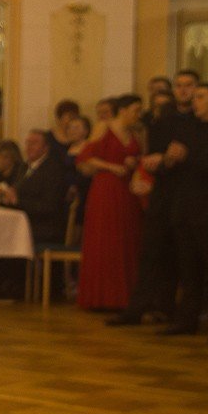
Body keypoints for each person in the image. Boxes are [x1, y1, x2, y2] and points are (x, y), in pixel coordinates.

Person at [109, 70, 197, 327]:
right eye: (179, 85)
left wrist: (170, 159)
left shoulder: (199, 122)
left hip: (188, 196)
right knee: (151, 253)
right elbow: (153, 153)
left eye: (188, 85)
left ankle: (174, 312)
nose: (183, 90)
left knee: (183, 258)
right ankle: (138, 309)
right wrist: (153, 162)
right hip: (162, 193)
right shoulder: (162, 121)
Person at [159, 83, 208, 337]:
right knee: (188, 270)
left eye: (201, 97)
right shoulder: (186, 129)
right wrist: (168, 160)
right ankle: (186, 320)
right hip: (184, 208)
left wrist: (187, 158)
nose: (195, 101)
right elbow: (171, 168)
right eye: (194, 97)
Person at [75, 95, 143, 311]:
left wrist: (133, 162)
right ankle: (102, 297)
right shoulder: (103, 127)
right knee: (105, 240)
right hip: (106, 188)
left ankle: (124, 297)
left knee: (125, 239)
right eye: (135, 110)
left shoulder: (135, 133)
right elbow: (85, 157)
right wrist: (113, 167)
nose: (138, 115)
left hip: (127, 190)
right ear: (122, 110)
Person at [0, 129, 70, 246]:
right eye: (28, 143)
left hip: (42, 227)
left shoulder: (53, 170)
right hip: (22, 221)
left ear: (45, 148)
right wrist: (5, 195)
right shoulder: (24, 167)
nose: (29, 147)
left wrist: (17, 200)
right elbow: (16, 193)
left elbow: (49, 206)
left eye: (34, 143)